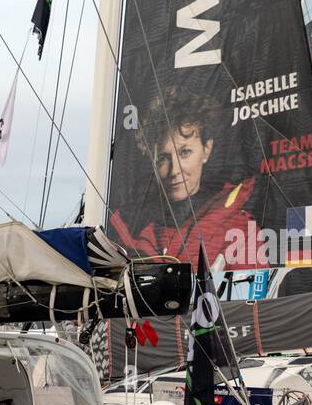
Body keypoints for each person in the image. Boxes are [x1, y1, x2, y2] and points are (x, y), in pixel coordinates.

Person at [110, 87, 262, 270]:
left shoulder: (239, 229)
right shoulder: (127, 229)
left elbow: (254, 295)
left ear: (206, 149)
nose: (175, 170)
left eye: (185, 152)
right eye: (163, 158)